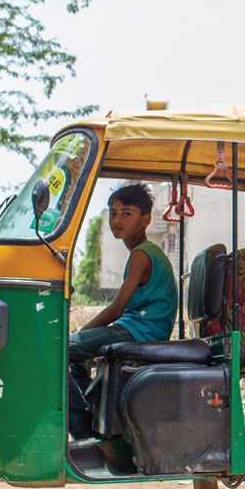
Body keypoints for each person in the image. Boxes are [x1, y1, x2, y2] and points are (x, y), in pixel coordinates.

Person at [66, 183, 177, 439]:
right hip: (135, 330)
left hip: (135, 332)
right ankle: (91, 423)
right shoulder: (146, 253)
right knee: (78, 360)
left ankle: (82, 429)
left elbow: (117, 309)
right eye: (113, 213)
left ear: (146, 219)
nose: (117, 220)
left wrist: (83, 331)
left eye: (127, 213)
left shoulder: (141, 255)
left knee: (57, 351)